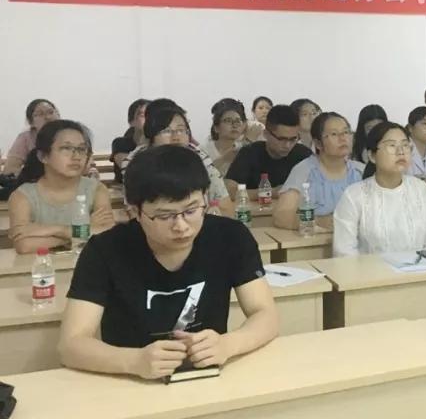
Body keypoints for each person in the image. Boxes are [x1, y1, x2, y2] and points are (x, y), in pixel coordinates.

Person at [58, 145, 278, 380]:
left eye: (191, 210)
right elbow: (71, 344)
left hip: (208, 374)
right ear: (135, 211)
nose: (181, 226)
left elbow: (266, 314)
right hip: (130, 380)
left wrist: (228, 344)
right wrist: (134, 361)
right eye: (164, 216)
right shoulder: (104, 250)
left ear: (205, 197)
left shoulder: (230, 236)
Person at [333, 122, 426, 256]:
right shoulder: (353, 196)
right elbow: (344, 252)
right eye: (392, 145)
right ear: (372, 156)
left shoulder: (422, 190)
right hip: (369, 269)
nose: (401, 152)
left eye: (405, 145)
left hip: (419, 268)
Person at [7, 120, 115, 254]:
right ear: (43, 156)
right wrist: (84, 231)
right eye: (66, 148)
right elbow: (24, 245)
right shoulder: (22, 196)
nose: (76, 156)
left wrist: (59, 230)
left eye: (81, 149)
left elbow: (106, 233)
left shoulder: (96, 190)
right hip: (41, 266)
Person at [132, 106, 235, 217]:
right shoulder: (140, 169)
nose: (176, 137)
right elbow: (135, 214)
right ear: (151, 138)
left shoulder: (203, 164)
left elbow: (227, 209)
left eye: (181, 130)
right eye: (166, 131)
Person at [273, 112, 363, 231]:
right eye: (334, 134)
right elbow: (282, 217)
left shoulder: (361, 171)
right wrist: (318, 221)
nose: (343, 138)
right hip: (315, 239)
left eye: (346, 132)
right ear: (318, 143)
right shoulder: (304, 170)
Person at [225, 105, 312, 199]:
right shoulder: (249, 153)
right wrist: (270, 192)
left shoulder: (304, 155)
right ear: (266, 134)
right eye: (281, 139)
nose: (287, 145)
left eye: (293, 139)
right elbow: (230, 191)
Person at [3, 99, 61, 177]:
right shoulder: (26, 138)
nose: (47, 117)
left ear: (58, 115)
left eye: (51, 112)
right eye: (40, 114)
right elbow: (9, 170)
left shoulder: (72, 133)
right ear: (31, 122)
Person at [203, 99, 248, 175]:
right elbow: (199, 176)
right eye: (228, 121)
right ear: (216, 128)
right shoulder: (203, 151)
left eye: (238, 121)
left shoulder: (243, 149)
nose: (234, 125)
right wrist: (223, 159)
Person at [110, 99, 150, 181]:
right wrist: (142, 145)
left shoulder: (159, 142)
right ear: (131, 121)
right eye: (143, 115)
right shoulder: (120, 143)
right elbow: (131, 170)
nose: (148, 119)